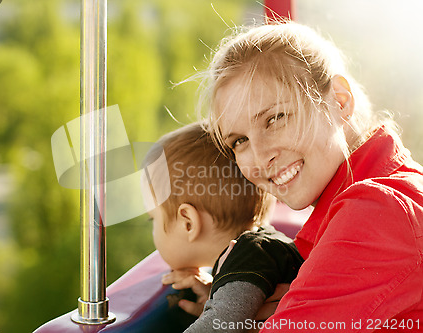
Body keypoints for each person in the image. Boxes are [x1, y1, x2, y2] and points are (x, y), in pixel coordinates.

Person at [184, 21, 423, 332]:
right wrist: (236, 301)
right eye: (239, 141)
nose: (259, 157)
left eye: (275, 118)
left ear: (339, 100)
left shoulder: (377, 211)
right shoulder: (390, 189)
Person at [141, 122, 304, 332]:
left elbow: (220, 328)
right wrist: (214, 297)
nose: (153, 227)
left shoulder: (249, 256)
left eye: (153, 219)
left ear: (188, 223)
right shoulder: (260, 251)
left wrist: (217, 314)